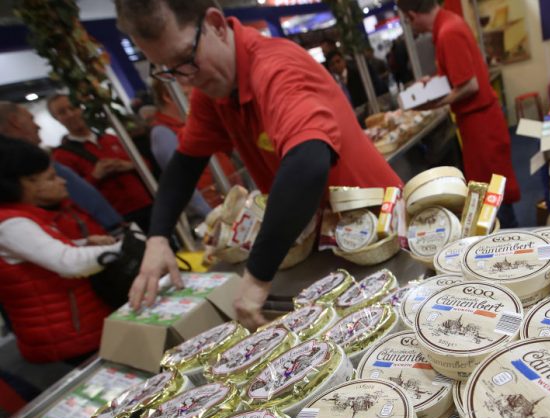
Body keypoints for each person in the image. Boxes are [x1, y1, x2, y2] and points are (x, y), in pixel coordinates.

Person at [114, 0, 402, 330]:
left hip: (382, 235)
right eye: (168, 69)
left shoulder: (277, 68)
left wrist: (256, 277)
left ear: (216, 25)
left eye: (185, 60)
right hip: (328, 246)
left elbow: (308, 164)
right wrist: (158, 238)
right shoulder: (213, 92)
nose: (186, 80)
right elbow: (185, 164)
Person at [397, 0, 521, 227]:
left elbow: (470, 85)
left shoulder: (448, 32)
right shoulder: (449, 25)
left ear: (413, 15)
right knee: (491, 192)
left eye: (406, 20)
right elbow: (460, 77)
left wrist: (435, 103)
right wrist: (434, 83)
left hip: (480, 124)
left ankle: (512, 242)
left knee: (493, 197)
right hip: (477, 122)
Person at [0, 138, 119, 364]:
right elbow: (70, 263)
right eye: (51, 177)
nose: (62, 181)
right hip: (68, 332)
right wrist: (122, 248)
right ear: (24, 183)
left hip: (74, 325)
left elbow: (39, 255)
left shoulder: (22, 216)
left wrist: (84, 244)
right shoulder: (11, 224)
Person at [0, 101, 123, 231]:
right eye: (31, 119)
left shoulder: (34, 160)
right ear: (15, 122)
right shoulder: (24, 166)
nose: (38, 126)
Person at [47, 94, 154, 232]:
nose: (71, 114)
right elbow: (71, 194)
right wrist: (95, 176)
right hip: (118, 218)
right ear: (57, 119)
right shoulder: (62, 156)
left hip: (147, 205)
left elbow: (146, 165)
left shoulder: (110, 138)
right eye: (62, 112)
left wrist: (128, 165)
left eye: (73, 108)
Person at [150, 79, 234, 219]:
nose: (194, 89)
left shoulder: (195, 119)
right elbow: (181, 180)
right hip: (215, 209)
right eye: (186, 85)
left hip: (231, 196)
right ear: (168, 95)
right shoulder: (162, 132)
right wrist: (211, 216)